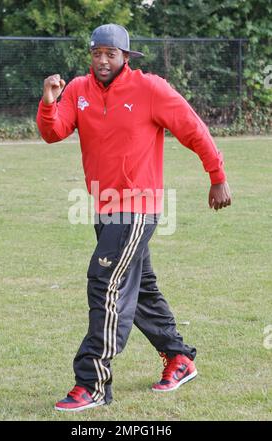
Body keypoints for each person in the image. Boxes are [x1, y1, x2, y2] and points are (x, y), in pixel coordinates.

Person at [36, 23, 231, 412]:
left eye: (111, 54)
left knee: (105, 284)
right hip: (104, 207)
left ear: (126, 56)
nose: (103, 60)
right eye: (97, 53)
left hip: (137, 206)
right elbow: (54, 131)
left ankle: (91, 382)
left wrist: (217, 177)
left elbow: (193, 129)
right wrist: (49, 101)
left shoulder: (150, 89)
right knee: (139, 291)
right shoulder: (77, 89)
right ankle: (179, 358)